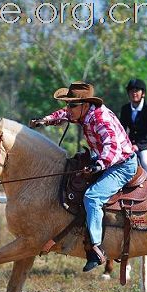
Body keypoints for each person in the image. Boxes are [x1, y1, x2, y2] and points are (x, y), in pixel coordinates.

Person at [29, 81, 138, 272]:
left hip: (122, 166)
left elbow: (112, 147)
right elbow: (63, 114)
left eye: (72, 105)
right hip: (107, 162)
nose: (68, 109)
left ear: (85, 105)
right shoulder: (83, 113)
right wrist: (45, 120)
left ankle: (96, 248)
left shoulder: (100, 119)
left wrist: (98, 165)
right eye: (68, 104)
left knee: (92, 197)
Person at [119, 79, 147, 181]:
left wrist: (138, 145)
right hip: (130, 145)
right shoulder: (125, 109)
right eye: (131, 91)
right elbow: (122, 129)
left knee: (145, 162)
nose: (134, 93)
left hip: (146, 146)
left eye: (137, 90)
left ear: (143, 93)